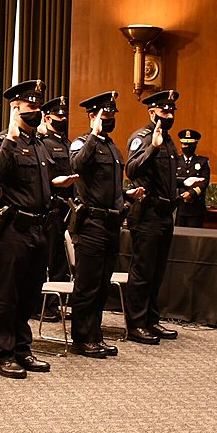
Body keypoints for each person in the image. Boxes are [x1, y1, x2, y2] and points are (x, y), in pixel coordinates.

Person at [0, 79, 76, 378]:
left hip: (39, 228)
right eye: (30, 106)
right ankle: (2, 353)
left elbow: (35, 185)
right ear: (15, 109)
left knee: (29, 294)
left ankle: (23, 349)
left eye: (38, 105)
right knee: (5, 294)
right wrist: (10, 141)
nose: (36, 110)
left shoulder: (40, 145)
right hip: (12, 228)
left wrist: (55, 185)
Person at [68, 91, 144, 358]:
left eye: (112, 114)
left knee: (102, 285)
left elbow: (108, 187)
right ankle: (81, 338)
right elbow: (76, 165)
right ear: (92, 116)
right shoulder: (80, 143)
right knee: (87, 285)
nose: (110, 118)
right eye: (105, 114)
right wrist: (94, 134)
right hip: (90, 223)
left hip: (112, 222)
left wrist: (125, 196)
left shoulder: (113, 148)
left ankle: (95, 335)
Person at [123, 90, 181, 344]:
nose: (169, 115)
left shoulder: (168, 140)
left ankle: (151, 320)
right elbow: (132, 169)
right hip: (146, 214)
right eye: (164, 111)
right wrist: (153, 149)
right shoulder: (143, 138)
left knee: (158, 271)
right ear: (152, 113)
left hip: (166, 213)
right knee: (143, 270)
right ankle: (136, 323)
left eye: (171, 112)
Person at [36, 96, 73, 322]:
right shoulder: (44, 143)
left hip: (66, 209)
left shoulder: (67, 143)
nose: (63, 118)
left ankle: (57, 301)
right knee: (48, 258)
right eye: (59, 116)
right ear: (47, 118)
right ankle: (45, 303)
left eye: (64, 115)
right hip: (52, 208)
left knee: (60, 260)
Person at [175, 129, 210, 227]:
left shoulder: (202, 161)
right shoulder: (176, 160)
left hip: (195, 208)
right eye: (184, 144)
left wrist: (192, 193)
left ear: (195, 145)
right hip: (179, 206)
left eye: (190, 145)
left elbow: (205, 182)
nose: (187, 147)